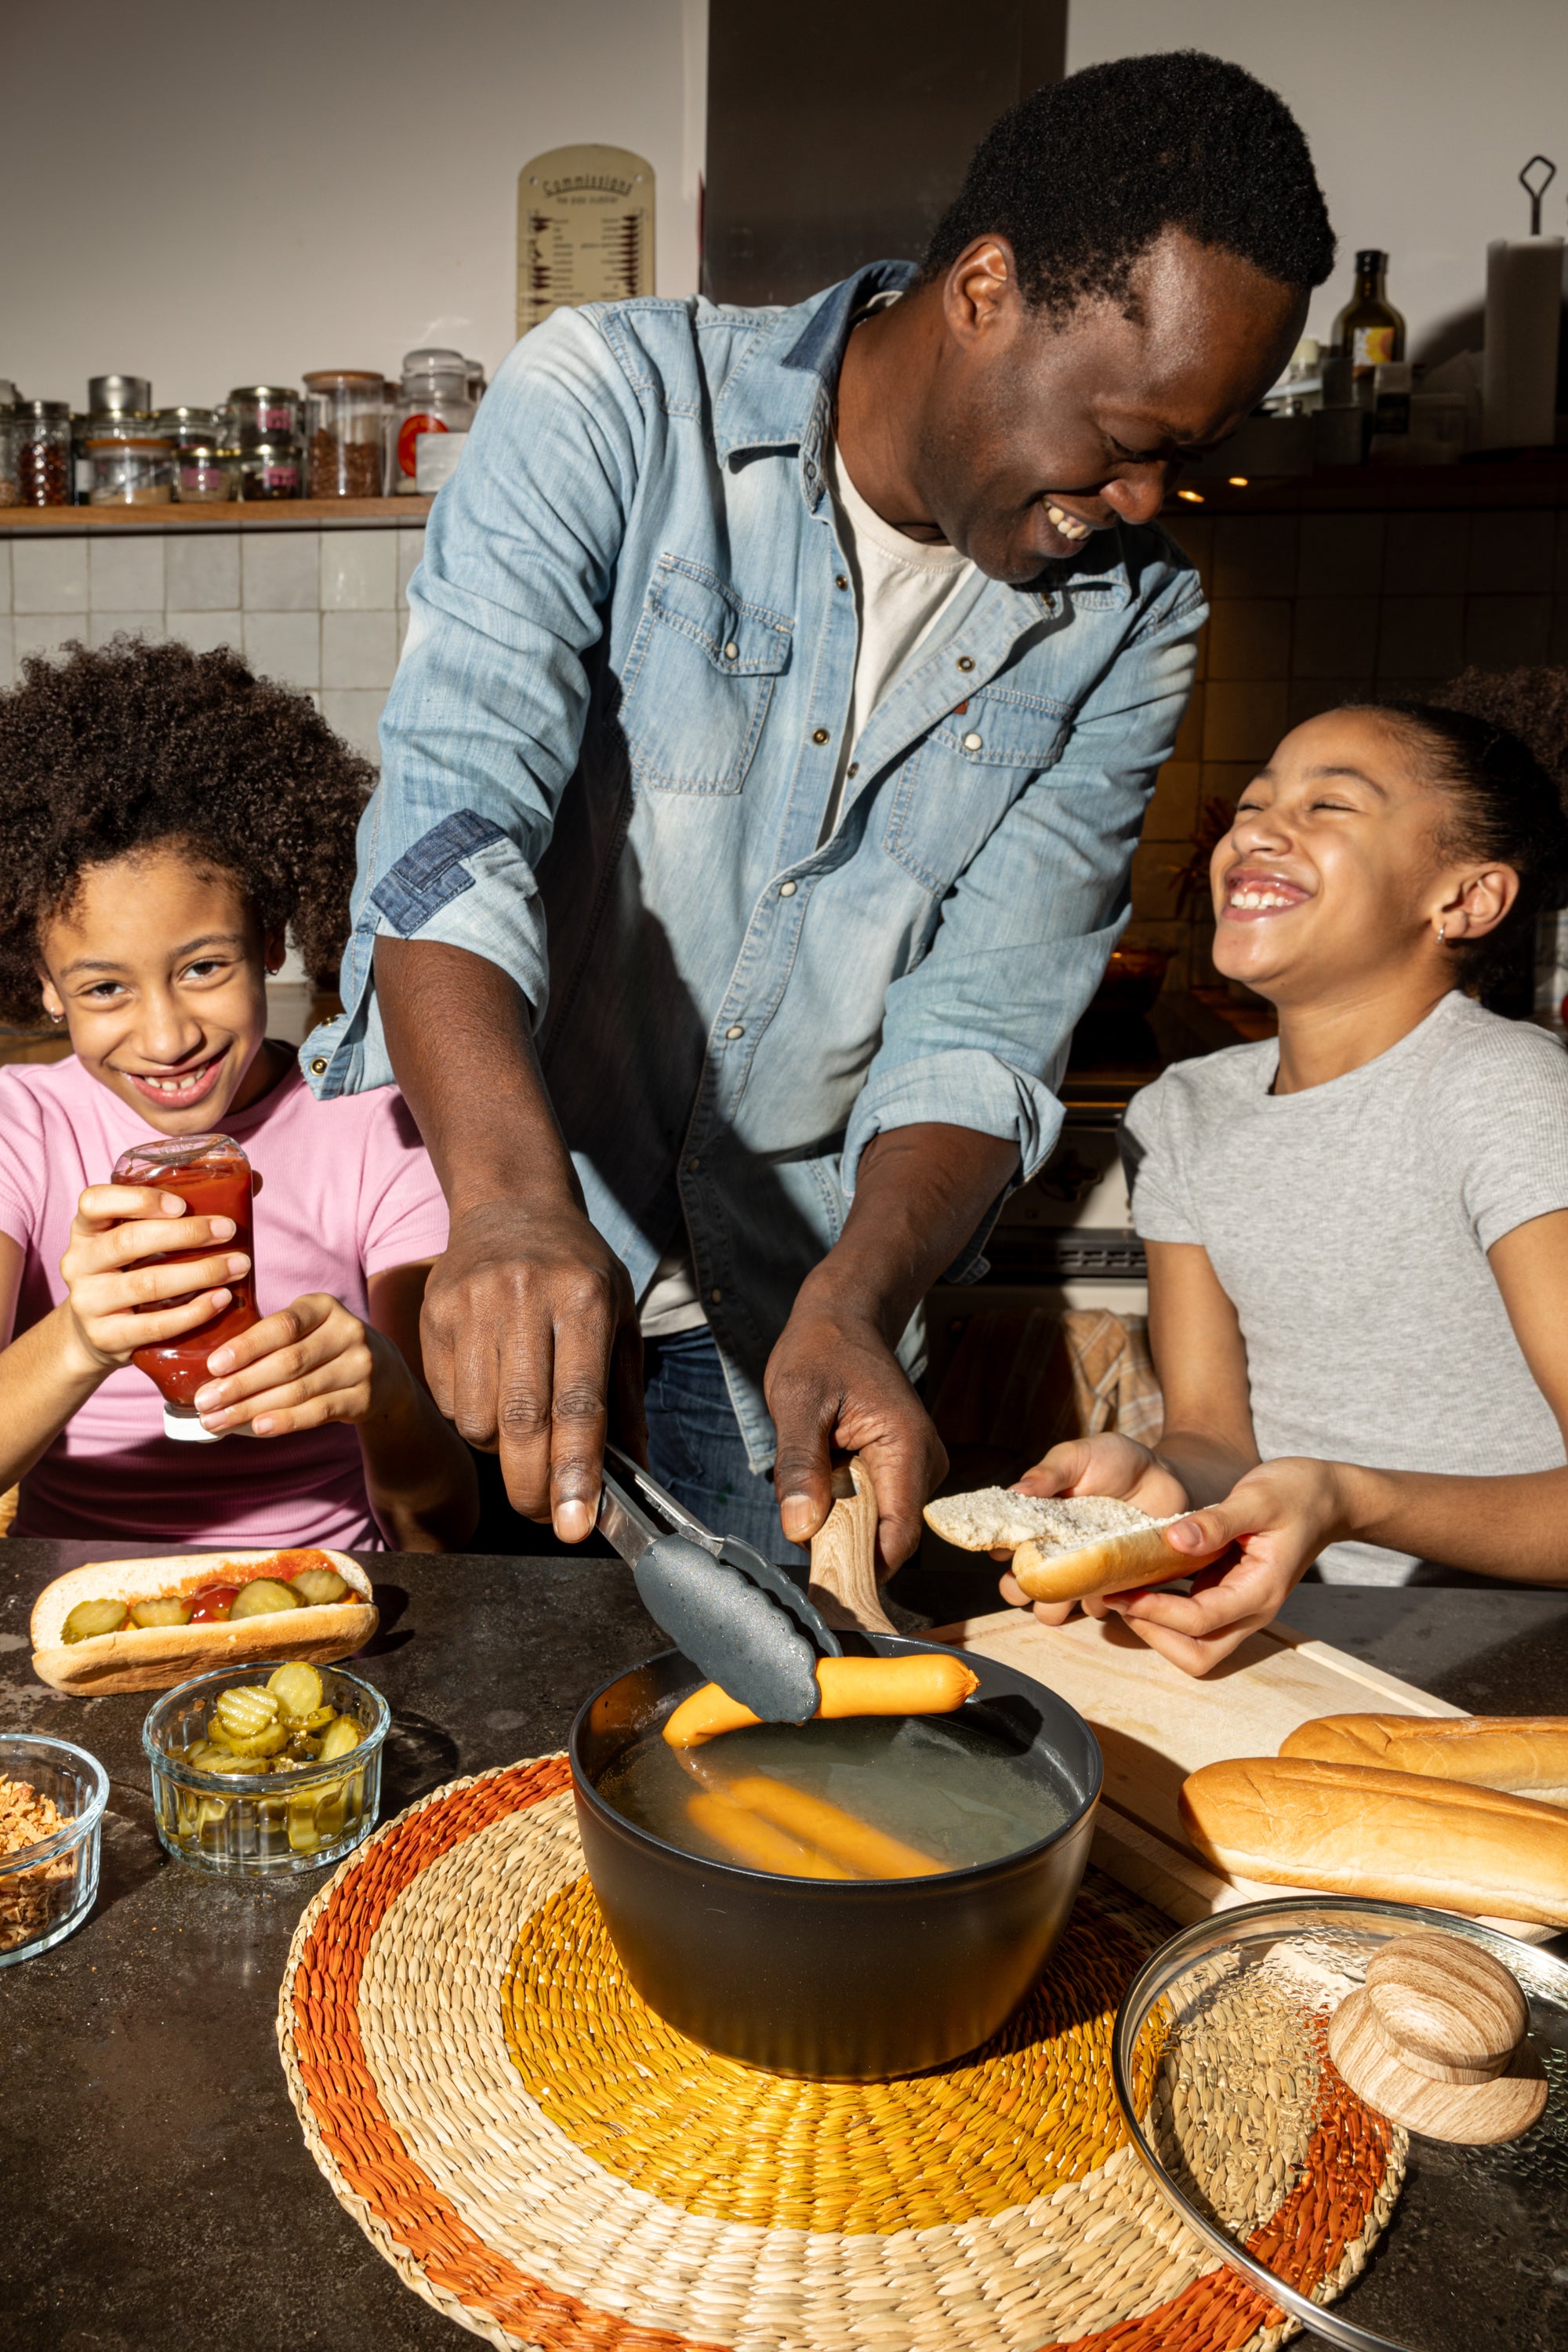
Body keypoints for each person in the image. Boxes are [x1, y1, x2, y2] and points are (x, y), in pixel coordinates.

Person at [303, 51, 1334, 1570]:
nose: (1141, 507)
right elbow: (456, 830)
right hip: (474, 1242)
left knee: (765, 1768)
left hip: (779, 1311)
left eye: (1187, 460)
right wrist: (514, 1204)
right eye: (1125, 442)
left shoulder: (1135, 620)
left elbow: (984, 1022)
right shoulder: (610, 405)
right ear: (982, 289)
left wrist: (857, 1299)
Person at [1000, 685, 1568, 1674]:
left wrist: (1348, 1498)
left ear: (1465, 899)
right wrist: (1151, 1486)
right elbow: (1214, 1435)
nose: (1258, 832)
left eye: (1328, 805)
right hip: (1297, 1634)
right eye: (1255, 805)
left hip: (1512, 1646)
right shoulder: (1179, 1112)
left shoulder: (1509, 1094)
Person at [0, 638, 478, 1553]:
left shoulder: (376, 1127)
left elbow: (444, 1528)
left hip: (329, 1602)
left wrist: (382, 1391)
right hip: (86, 1603)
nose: (168, 1035)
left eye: (204, 967)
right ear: (44, 985)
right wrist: (82, 1341)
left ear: (271, 940)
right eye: (103, 988)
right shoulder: (20, 1130)